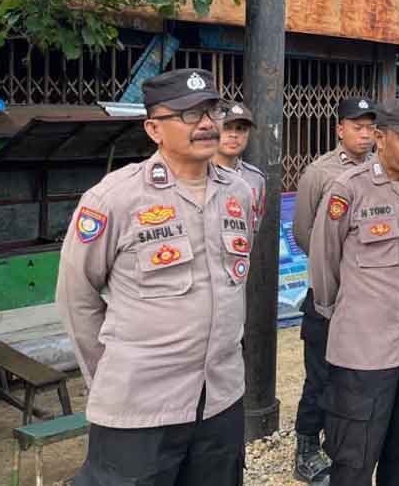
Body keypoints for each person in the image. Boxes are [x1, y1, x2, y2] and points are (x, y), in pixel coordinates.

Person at [57, 69, 255, 485]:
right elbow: (77, 297)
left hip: (219, 399)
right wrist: (110, 373)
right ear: (154, 129)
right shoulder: (114, 198)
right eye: (187, 114)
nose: (205, 123)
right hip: (139, 407)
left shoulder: (240, 192)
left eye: (212, 110)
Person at [307, 99, 399, 486]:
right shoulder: (349, 188)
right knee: (355, 457)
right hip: (365, 353)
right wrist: (338, 315)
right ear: (380, 138)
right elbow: (323, 260)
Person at [290, 96, 376, 483]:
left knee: (356, 376)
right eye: (357, 126)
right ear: (340, 129)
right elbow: (305, 233)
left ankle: (342, 442)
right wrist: (336, 270)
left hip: (371, 297)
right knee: (321, 374)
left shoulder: (382, 169)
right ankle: (306, 447)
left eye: (371, 127)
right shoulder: (319, 173)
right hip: (331, 294)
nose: (365, 133)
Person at [214, 102, 267, 231]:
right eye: (226, 127)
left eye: (241, 128)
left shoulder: (255, 178)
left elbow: (254, 227)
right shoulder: (196, 174)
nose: (234, 135)